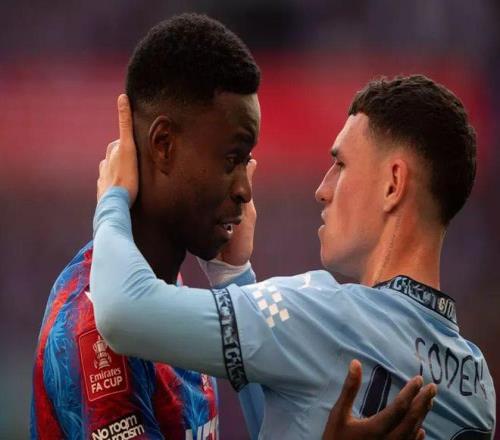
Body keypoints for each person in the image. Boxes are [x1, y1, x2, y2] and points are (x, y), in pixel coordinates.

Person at [30, 13, 432, 440]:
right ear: (164, 145)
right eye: (231, 159)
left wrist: (234, 278)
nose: (244, 189)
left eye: (247, 161)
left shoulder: (168, 297)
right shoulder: (95, 333)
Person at [90, 74, 496, 439]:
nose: (323, 189)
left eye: (341, 164)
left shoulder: (322, 313)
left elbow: (124, 312)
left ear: (393, 184)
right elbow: (288, 420)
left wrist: (113, 199)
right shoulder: (477, 386)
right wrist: (233, 274)